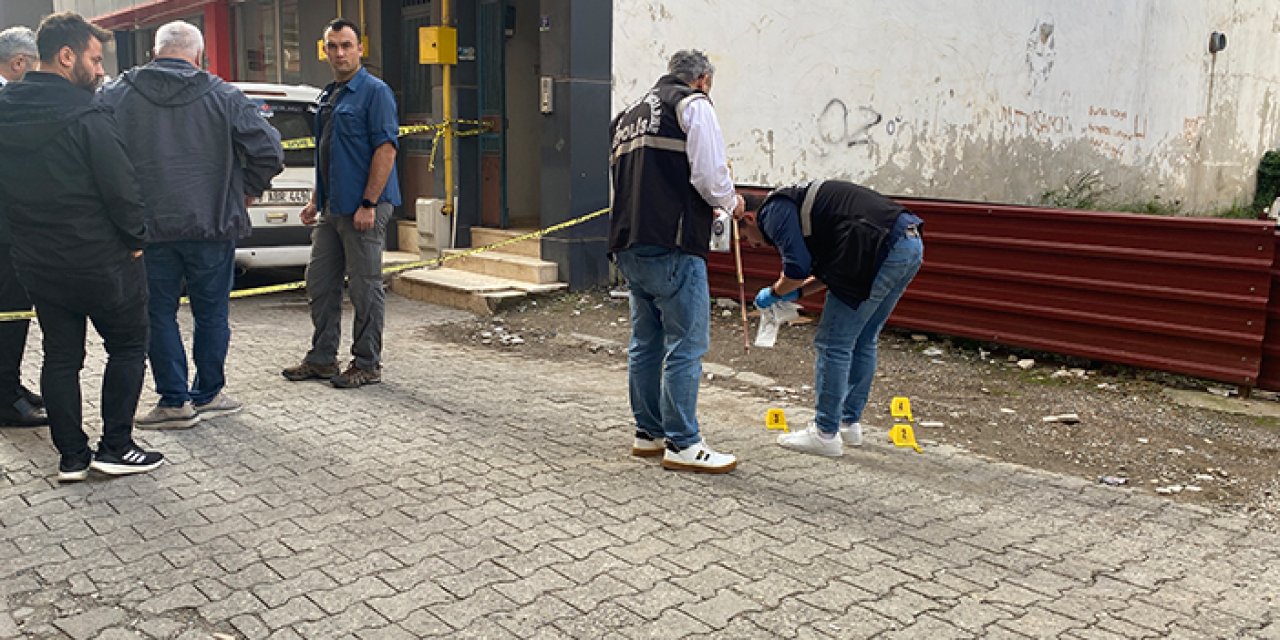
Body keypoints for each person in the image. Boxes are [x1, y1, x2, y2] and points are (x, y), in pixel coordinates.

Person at [0, 11, 163, 481]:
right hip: (102, 260)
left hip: (37, 261)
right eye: (93, 59)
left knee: (61, 355)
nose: (99, 70)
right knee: (130, 345)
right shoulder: (88, 114)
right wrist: (135, 240)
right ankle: (116, 447)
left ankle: (71, 457)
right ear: (65, 55)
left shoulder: (5, 112)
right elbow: (122, 188)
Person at [100, 21, 283, 429]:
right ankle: (210, 393)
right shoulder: (224, 96)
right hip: (213, 225)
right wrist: (246, 191)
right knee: (212, 312)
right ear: (198, 57)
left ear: (154, 52)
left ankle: (174, 400)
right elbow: (270, 150)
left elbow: (97, 152)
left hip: (147, 229)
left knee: (157, 313)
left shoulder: (117, 94)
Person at [608, 49, 743, 473]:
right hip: (673, 241)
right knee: (686, 343)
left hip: (629, 242)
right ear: (702, 79)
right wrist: (732, 202)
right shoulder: (692, 104)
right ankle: (684, 443)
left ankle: (648, 433)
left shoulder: (628, 114)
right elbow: (708, 174)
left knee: (645, 343)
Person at [740, 180, 924, 457]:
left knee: (832, 343)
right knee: (863, 338)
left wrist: (775, 292)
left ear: (749, 217)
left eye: (745, 238)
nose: (751, 245)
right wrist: (797, 293)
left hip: (876, 246)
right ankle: (848, 423)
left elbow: (796, 267)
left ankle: (825, 433)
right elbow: (828, 272)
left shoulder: (773, 211)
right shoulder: (810, 212)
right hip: (907, 242)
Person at [282, 17, 400, 389]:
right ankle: (321, 359)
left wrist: (369, 201)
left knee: (365, 288)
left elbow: (385, 149)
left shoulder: (374, 92)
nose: (339, 53)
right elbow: (328, 153)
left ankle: (367, 363)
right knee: (319, 283)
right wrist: (316, 200)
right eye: (332, 46)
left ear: (360, 48)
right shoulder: (328, 95)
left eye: (346, 45)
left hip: (363, 208)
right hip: (332, 208)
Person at [0, 25, 45, 428]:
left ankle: (10, 385)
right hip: (7, 232)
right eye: (37, 65)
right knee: (9, 311)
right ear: (19, 63)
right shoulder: (5, 103)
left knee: (15, 312)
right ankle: (5, 398)